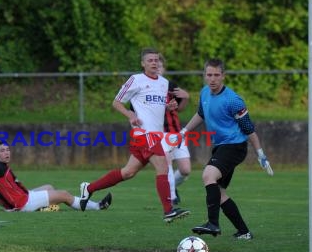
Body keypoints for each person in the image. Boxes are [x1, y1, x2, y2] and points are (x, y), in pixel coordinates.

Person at [78, 48, 190, 222]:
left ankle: (89, 188)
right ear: (143, 63)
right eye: (150, 60)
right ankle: (168, 211)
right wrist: (130, 114)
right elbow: (116, 102)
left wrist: (169, 107)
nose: (154, 62)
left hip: (155, 135)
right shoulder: (136, 80)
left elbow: (156, 107)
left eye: (156, 60)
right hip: (143, 134)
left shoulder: (163, 83)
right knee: (163, 166)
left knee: (128, 172)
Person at [180, 58, 273, 240]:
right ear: (205, 76)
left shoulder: (234, 100)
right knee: (219, 193)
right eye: (209, 75)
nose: (212, 79)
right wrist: (184, 131)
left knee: (208, 175)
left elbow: (249, 130)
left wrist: (261, 154)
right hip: (220, 147)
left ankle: (213, 223)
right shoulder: (204, 93)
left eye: (216, 75)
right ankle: (244, 232)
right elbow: (200, 114)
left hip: (235, 147)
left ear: (223, 76)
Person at [0, 142, 112, 212]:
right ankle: (97, 206)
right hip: (25, 203)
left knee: (49, 187)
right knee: (64, 195)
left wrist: (9, 208)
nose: (7, 153)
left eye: (8, 150)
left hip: (24, 198)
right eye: (2, 151)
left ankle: (45, 209)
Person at [157, 55, 192, 206]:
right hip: (159, 133)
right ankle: (170, 198)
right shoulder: (143, 87)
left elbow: (180, 108)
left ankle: (173, 188)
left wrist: (186, 98)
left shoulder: (170, 86)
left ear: (164, 68)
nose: (157, 68)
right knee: (167, 161)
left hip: (176, 132)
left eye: (160, 66)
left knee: (185, 170)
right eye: (154, 65)